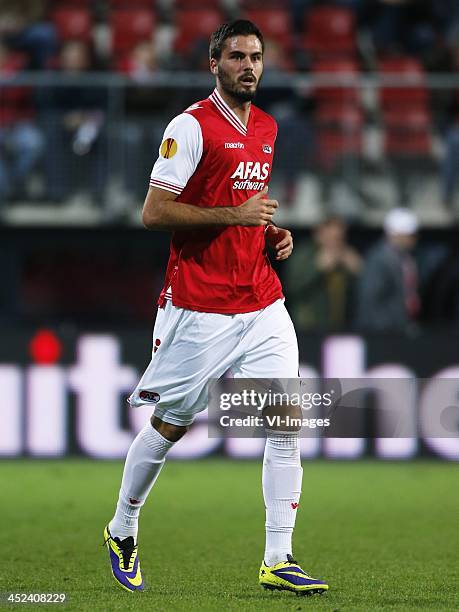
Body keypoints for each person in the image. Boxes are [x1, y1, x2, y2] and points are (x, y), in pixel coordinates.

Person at [103, 20, 329, 596]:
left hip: (261, 300)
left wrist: (270, 235)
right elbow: (154, 213)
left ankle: (278, 557)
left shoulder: (269, 128)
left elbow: (244, 208)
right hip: (199, 305)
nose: (248, 65)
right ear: (214, 64)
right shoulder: (191, 126)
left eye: (256, 56)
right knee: (171, 424)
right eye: (237, 56)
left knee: (285, 424)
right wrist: (235, 217)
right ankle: (123, 526)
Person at [285, 217, 361, 331]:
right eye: (332, 237)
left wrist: (358, 271)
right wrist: (317, 268)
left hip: (340, 326)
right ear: (319, 234)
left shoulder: (345, 256)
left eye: (340, 238)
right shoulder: (304, 254)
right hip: (308, 326)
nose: (336, 243)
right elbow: (292, 287)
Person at [356, 207, 420, 331]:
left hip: (401, 328)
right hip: (385, 332)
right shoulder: (378, 259)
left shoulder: (406, 258)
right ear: (395, 234)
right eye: (409, 235)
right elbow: (371, 301)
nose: (413, 239)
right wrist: (386, 332)